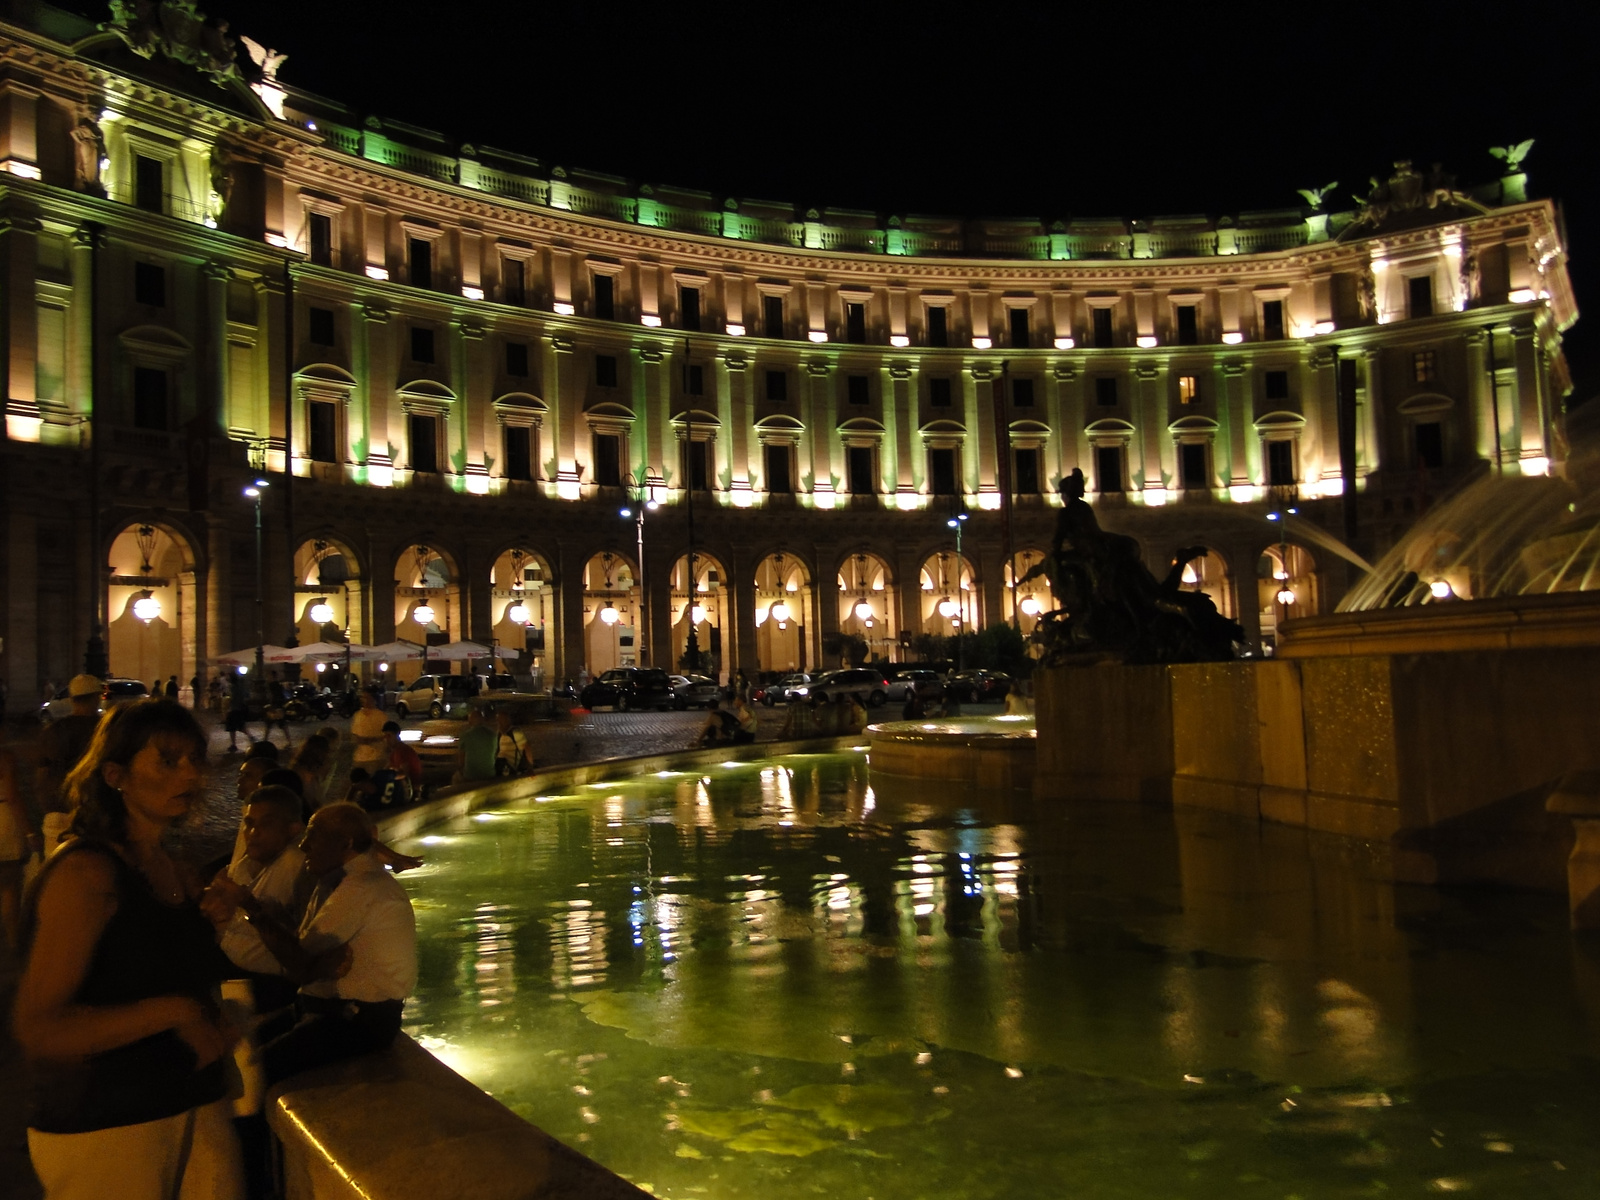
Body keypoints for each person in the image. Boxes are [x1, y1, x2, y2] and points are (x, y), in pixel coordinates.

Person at [13, 699, 246, 1200]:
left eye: (194, 759)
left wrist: (208, 931)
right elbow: (39, 1027)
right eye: (167, 760)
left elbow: (142, 967)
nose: (190, 773)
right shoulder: (86, 875)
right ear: (116, 774)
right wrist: (176, 1011)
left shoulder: (172, 868)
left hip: (190, 1101)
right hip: (107, 1122)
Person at [208, 803, 416, 1087]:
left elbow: (298, 964)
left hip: (353, 1022)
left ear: (346, 844)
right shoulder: (336, 876)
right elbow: (306, 950)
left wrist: (252, 908)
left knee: (253, 1073)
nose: (304, 845)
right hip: (326, 1007)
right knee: (240, 1048)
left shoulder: (358, 888)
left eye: (313, 836)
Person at [202, 786, 311, 1013]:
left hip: (268, 985)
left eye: (266, 824)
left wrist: (240, 902)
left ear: (293, 830)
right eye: (249, 823)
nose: (253, 833)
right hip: (229, 970)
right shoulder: (246, 865)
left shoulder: (294, 865)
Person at [35, 674, 103, 851]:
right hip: (97, 814)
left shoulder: (53, 731)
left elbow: (41, 776)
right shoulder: (105, 731)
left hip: (58, 811)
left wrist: (47, 807)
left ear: (72, 698)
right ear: (97, 698)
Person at [0, 747, 27, 950]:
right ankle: (13, 942)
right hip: (3, 820)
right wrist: (29, 832)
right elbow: (12, 795)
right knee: (10, 885)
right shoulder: (4, 758)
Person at [456, 706, 498, 785]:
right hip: (489, 774)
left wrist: (461, 770)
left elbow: (461, 760)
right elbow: (494, 754)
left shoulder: (466, 735)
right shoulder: (493, 734)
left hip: (471, 776)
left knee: (455, 779)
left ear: (470, 721)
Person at [349, 688, 387, 775]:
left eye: (366, 697)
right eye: (362, 697)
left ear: (373, 699)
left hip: (375, 758)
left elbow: (385, 736)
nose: (363, 700)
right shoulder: (358, 715)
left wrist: (370, 740)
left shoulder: (381, 716)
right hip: (359, 758)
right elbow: (353, 735)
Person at [493, 709, 530, 777]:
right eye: (498, 720)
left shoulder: (516, 733)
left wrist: (530, 768)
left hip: (510, 767)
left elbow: (527, 748)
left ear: (507, 720)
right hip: (500, 764)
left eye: (501, 720)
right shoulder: (499, 734)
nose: (498, 723)